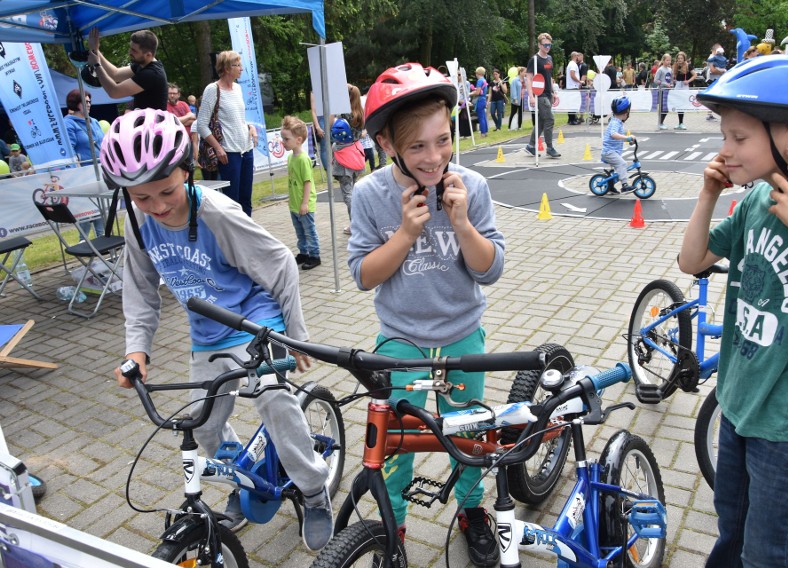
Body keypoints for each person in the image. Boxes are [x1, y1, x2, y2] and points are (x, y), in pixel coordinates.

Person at [101, 108, 333, 551]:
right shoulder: (138, 223)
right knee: (201, 426)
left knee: (273, 401)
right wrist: (138, 351)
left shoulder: (217, 213)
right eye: (142, 197)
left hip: (254, 320)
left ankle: (313, 489)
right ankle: (242, 475)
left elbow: (281, 263)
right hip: (208, 332)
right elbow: (141, 292)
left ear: (186, 172)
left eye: (166, 191)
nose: (158, 206)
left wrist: (295, 336)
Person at [681, 56, 788, 568]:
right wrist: (709, 193)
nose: (725, 150)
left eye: (738, 138)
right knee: (731, 525)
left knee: (771, 548)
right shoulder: (754, 198)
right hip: (735, 403)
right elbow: (692, 260)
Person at [351, 63, 505, 567]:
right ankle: (391, 526)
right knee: (395, 439)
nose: (435, 157)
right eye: (417, 147)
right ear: (388, 144)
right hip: (402, 337)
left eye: (442, 140)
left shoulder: (473, 187)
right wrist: (404, 236)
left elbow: (490, 270)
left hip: (462, 331)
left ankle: (472, 511)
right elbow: (364, 275)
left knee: (469, 433)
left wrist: (461, 224)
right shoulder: (370, 194)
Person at [197, 51, 258, 217]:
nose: (241, 68)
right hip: (229, 153)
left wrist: (250, 127)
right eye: (236, 65)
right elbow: (201, 124)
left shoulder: (238, 88)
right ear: (225, 68)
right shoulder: (213, 89)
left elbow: (239, 118)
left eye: (240, 64)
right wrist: (218, 148)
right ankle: (233, 236)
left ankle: (249, 233)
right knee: (233, 199)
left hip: (246, 149)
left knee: (246, 198)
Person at [87, 28, 167, 110]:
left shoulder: (151, 74)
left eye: (134, 50)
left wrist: (97, 65)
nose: (129, 52)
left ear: (148, 55)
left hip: (152, 122)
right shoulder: (142, 64)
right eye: (130, 48)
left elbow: (114, 92)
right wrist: (96, 50)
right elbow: (115, 74)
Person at [64, 89, 106, 239]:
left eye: (89, 101)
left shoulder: (94, 121)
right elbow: (69, 150)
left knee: (102, 210)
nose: (89, 104)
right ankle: (84, 244)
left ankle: (103, 241)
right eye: (85, 101)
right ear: (76, 104)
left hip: (101, 172)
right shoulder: (68, 123)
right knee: (88, 213)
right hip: (84, 175)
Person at [281, 116, 321, 270]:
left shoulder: (303, 159)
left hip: (304, 205)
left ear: (298, 140)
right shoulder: (291, 157)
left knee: (309, 231)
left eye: (286, 139)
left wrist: (305, 203)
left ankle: (315, 255)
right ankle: (303, 252)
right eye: (283, 138)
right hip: (294, 204)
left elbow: (307, 182)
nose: (283, 142)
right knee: (300, 232)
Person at [332, 84, 365, 235]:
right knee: (355, 192)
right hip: (356, 154)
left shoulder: (344, 114)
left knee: (348, 194)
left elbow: (331, 126)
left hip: (344, 156)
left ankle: (355, 225)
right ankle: (361, 223)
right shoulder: (360, 114)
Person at [524, 32, 561, 158]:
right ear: (539, 45)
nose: (547, 47)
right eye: (545, 45)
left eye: (549, 45)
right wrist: (531, 96)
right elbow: (528, 78)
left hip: (548, 93)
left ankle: (531, 146)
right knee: (549, 119)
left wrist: (554, 92)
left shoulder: (549, 59)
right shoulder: (534, 60)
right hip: (539, 95)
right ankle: (550, 147)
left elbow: (549, 76)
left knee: (541, 121)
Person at [601, 97, 636, 194]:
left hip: (612, 151)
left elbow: (618, 136)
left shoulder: (617, 121)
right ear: (626, 113)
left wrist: (628, 140)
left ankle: (610, 186)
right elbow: (613, 134)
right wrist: (627, 138)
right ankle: (624, 185)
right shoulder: (615, 122)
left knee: (616, 170)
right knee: (622, 164)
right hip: (609, 152)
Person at [671, 51, 696, 130]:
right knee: (678, 104)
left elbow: (695, 75)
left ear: (684, 59)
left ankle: (681, 123)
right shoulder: (676, 66)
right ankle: (679, 123)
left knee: (682, 104)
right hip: (677, 85)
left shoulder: (688, 66)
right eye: (678, 58)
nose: (680, 60)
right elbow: (674, 76)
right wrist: (674, 80)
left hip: (684, 86)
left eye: (681, 58)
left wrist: (688, 81)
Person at [654, 53, 674, 130]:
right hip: (662, 90)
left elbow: (671, 79)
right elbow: (656, 80)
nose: (669, 62)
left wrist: (672, 84)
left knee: (666, 108)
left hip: (669, 91)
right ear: (663, 60)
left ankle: (661, 122)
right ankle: (660, 123)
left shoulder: (670, 70)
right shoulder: (660, 69)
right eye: (667, 60)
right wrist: (664, 84)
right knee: (663, 108)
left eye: (670, 60)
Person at [565, 52, 582, 125]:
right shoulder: (573, 64)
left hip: (571, 86)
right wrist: (579, 81)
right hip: (573, 86)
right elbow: (572, 74)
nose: (579, 57)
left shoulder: (570, 64)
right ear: (575, 56)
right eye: (578, 56)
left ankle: (571, 119)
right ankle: (572, 119)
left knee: (571, 103)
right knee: (573, 103)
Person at [473, 67, 489, 138]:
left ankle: (482, 133)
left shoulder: (479, 81)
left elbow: (477, 92)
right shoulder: (484, 80)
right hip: (484, 99)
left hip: (479, 100)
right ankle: (485, 131)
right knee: (483, 116)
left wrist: (470, 94)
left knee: (481, 117)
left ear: (478, 73)